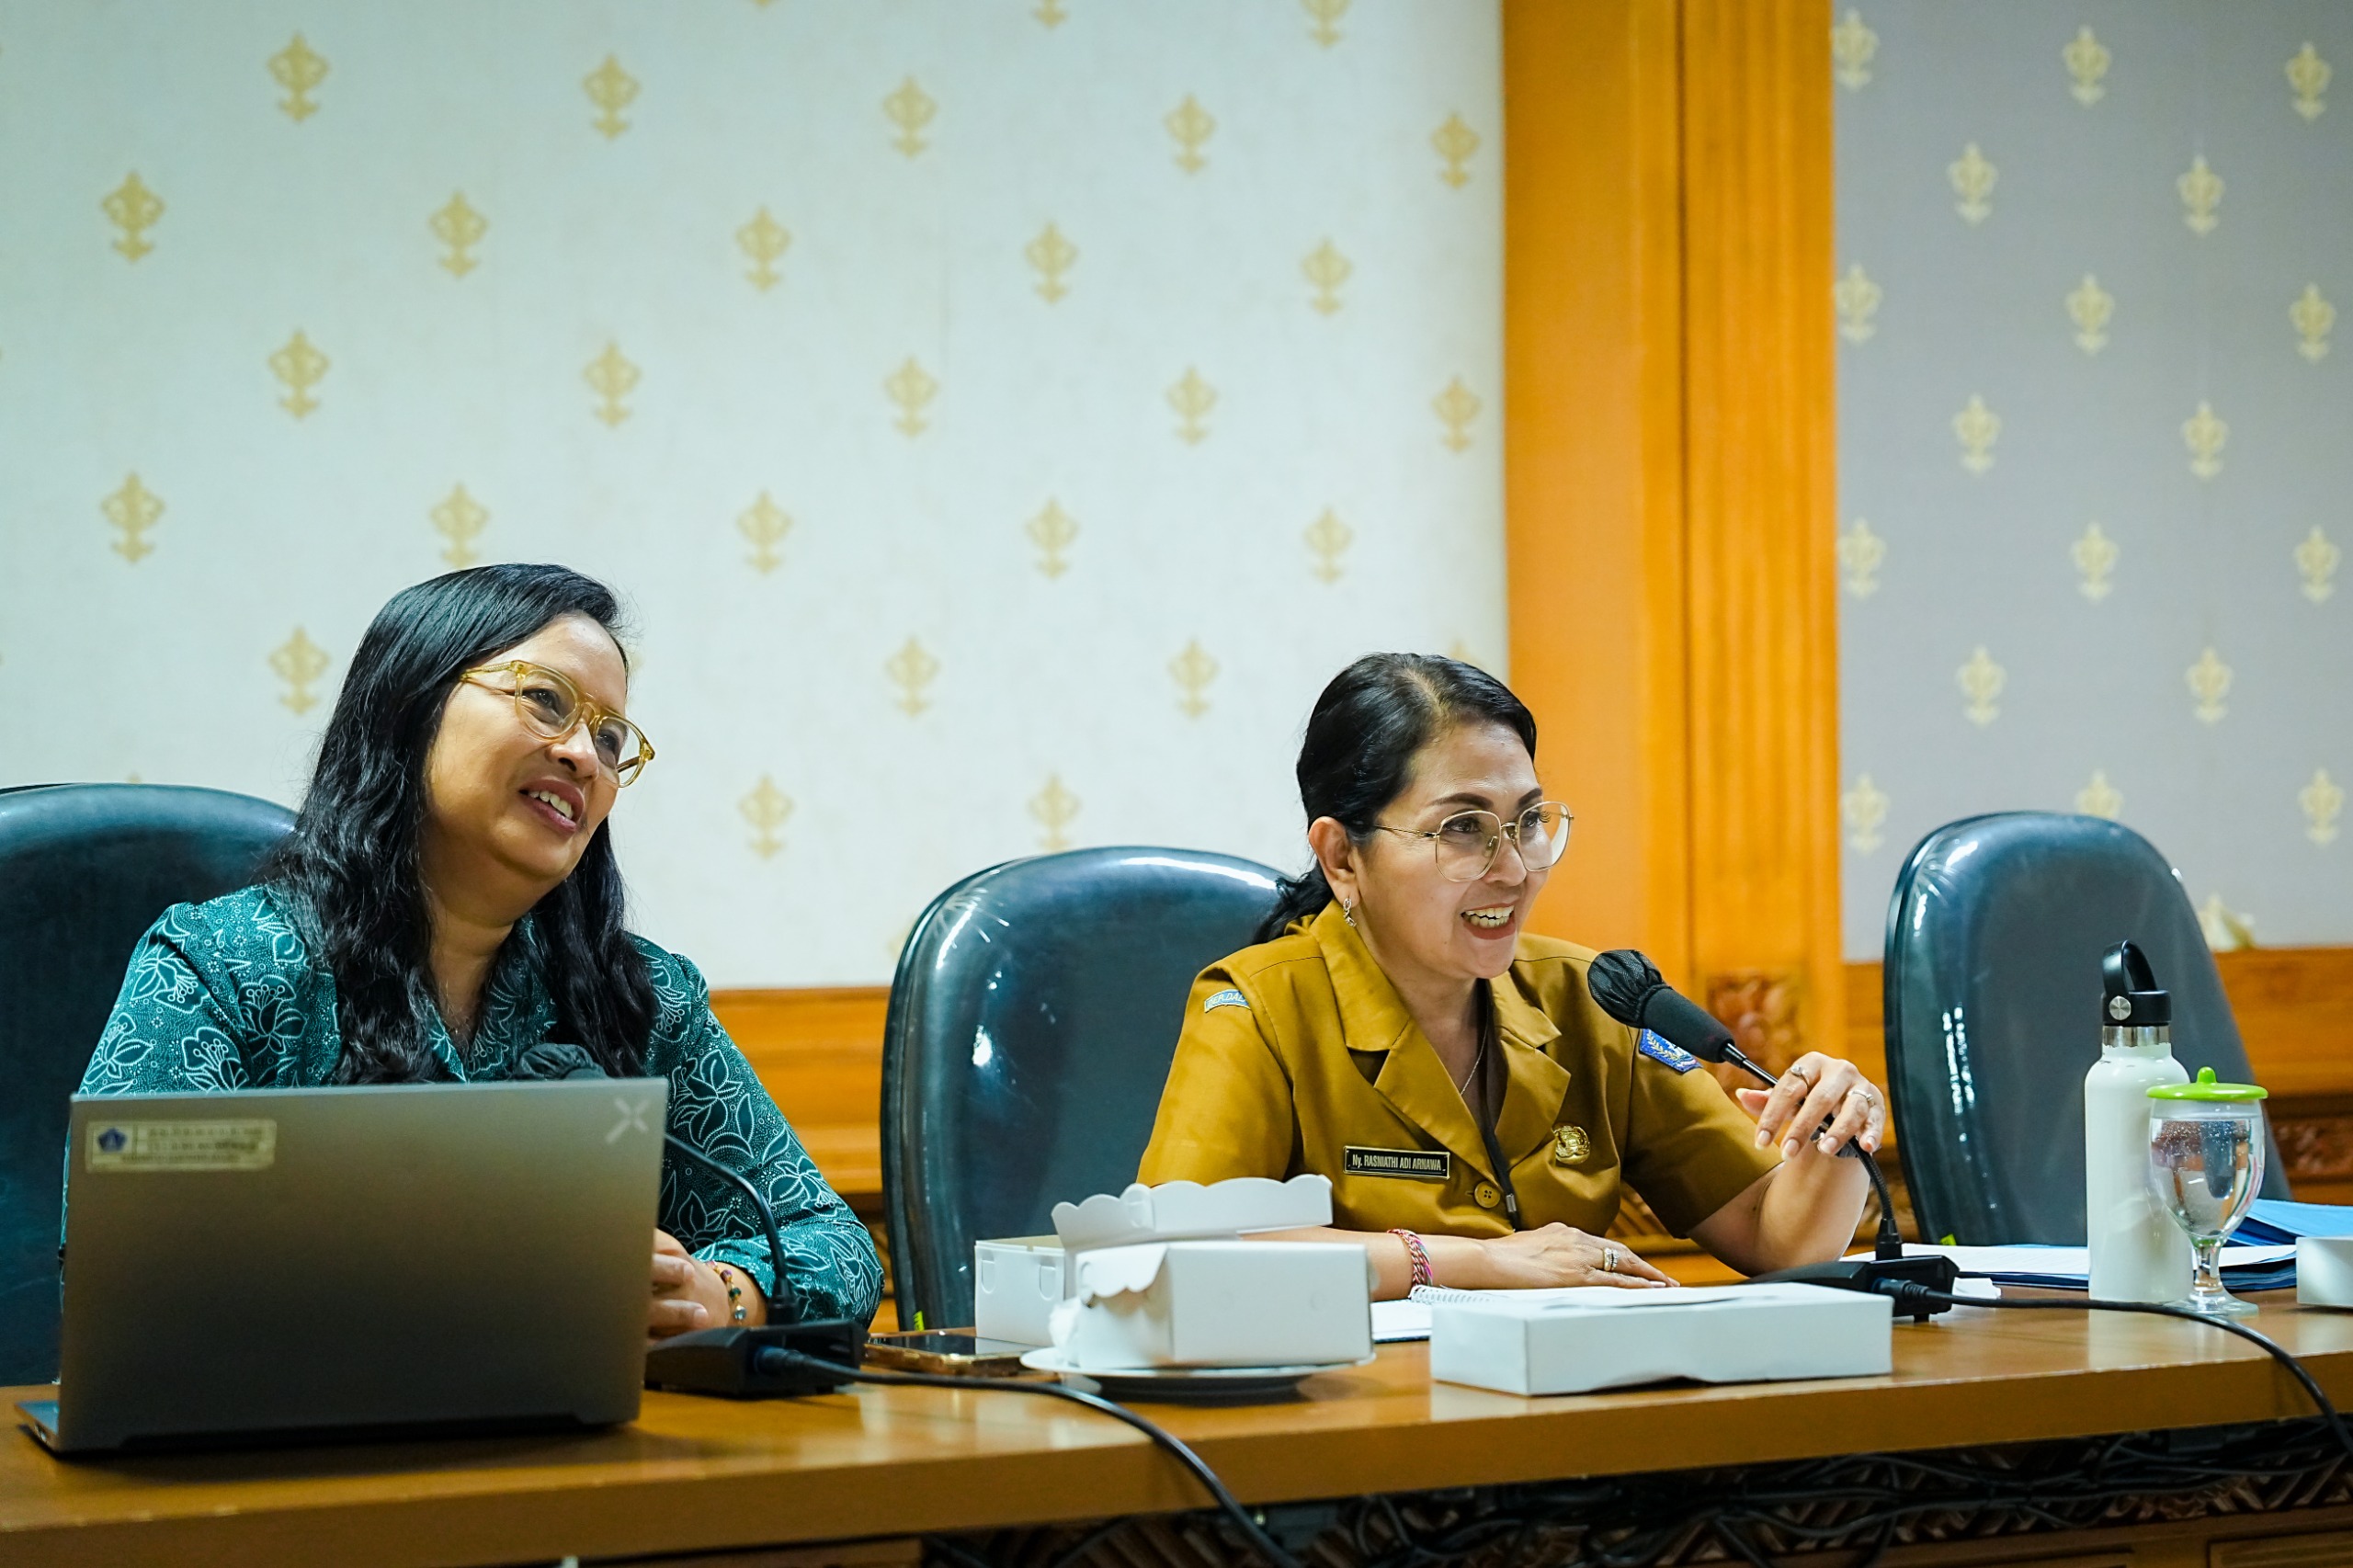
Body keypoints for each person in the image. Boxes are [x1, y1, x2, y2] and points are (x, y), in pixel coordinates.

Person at [76, 564, 881, 1335]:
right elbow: (124, 1266)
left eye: (609, 739)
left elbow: (835, 1245)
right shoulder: (225, 965)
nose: (582, 755)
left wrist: (718, 1295)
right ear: (413, 703)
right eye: (545, 700)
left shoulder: (641, 997)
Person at [1137, 653, 1882, 1300]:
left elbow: (1773, 1236)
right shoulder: (1259, 1008)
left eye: (1527, 822)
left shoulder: (1592, 999)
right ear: (1341, 857)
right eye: (1463, 828)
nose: (1516, 869)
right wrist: (1476, 1263)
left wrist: (1836, 1137)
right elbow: (1185, 1252)